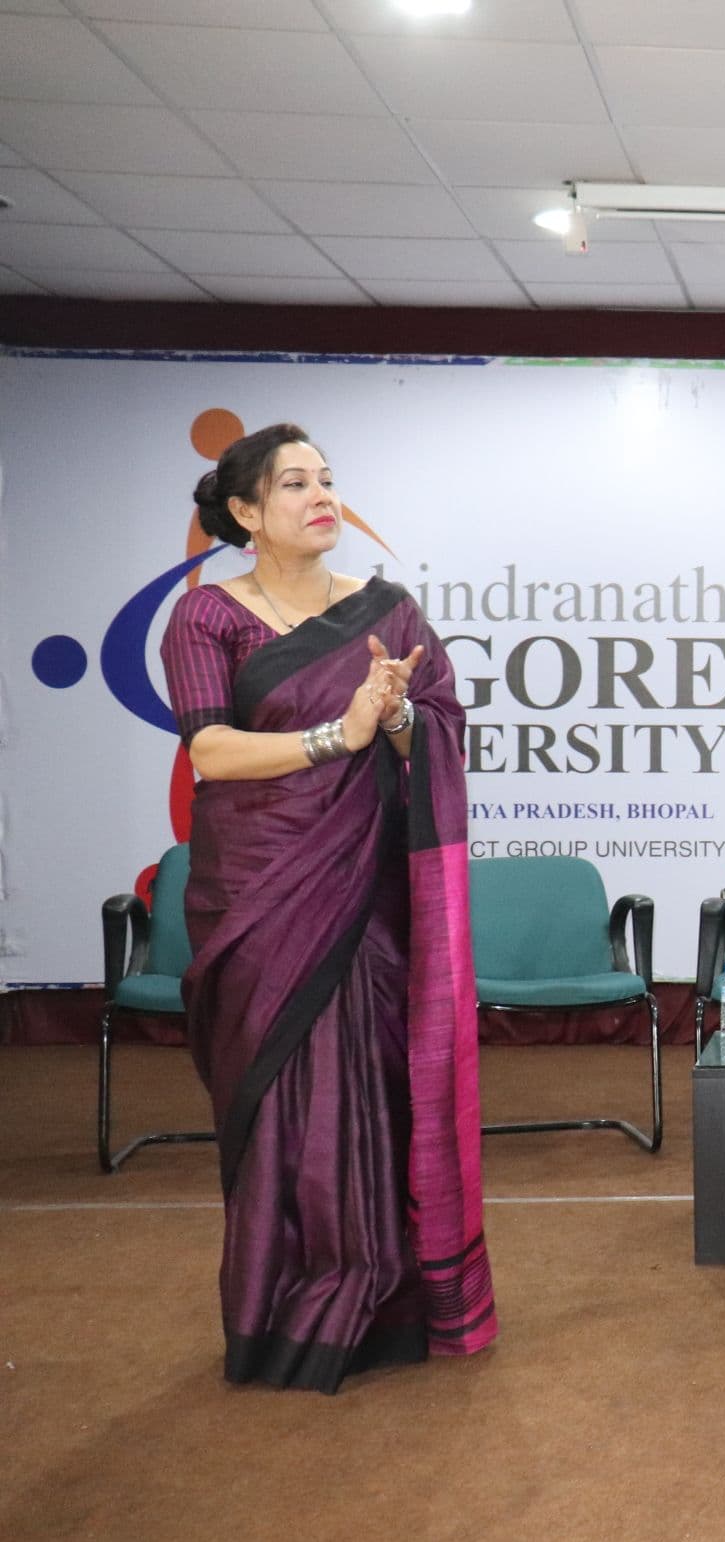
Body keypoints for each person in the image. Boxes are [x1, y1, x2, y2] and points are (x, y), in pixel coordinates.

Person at [160, 421, 492, 1393]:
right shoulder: (207, 619)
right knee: (277, 1101)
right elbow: (212, 752)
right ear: (245, 512)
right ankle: (282, 1317)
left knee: (377, 1087)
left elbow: (438, 729)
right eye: (294, 483)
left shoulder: (388, 611)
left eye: (329, 480)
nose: (321, 497)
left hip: (368, 891)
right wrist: (331, 736)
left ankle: (386, 1304)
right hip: (261, 892)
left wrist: (391, 717)